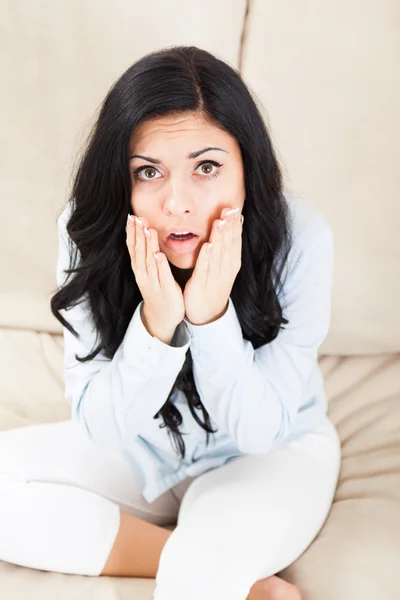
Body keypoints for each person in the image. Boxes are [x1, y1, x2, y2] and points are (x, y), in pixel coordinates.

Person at [0, 45, 341, 600]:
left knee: (195, 579)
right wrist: (157, 328)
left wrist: (208, 318)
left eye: (206, 167)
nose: (176, 203)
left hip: (271, 453)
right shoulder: (87, 230)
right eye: (148, 172)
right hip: (146, 447)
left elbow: (260, 431)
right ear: (121, 179)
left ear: (246, 169)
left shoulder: (299, 238)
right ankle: (243, 582)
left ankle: (205, 560)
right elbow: (103, 428)